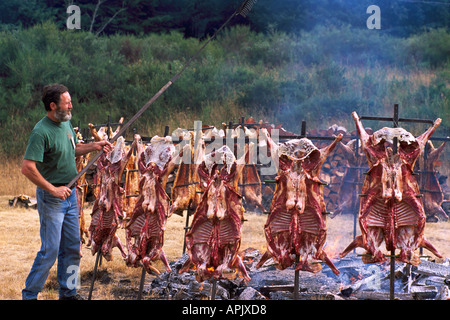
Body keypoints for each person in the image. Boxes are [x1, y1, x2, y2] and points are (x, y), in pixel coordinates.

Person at [21, 84, 112, 300]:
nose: (71, 105)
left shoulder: (66, 123)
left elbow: (73, 149)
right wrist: (53, 189)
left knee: (72, 247)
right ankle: (29, 295)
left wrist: (95, 146)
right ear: (53, 106)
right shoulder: (40, 132)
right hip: (52, 198)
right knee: (50, 250)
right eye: (67, 102)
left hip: (71, 195)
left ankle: (69, 292)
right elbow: (27, 167)